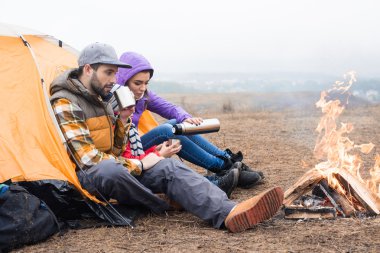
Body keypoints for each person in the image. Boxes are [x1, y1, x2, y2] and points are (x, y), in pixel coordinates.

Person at [49, 42, 284, 233]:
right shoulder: (66, 101)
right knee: (110, 170)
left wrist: (121, 122)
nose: (113, 79)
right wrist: (141, 163)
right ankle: (165, 202)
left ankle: (228, 212)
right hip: (90, 177)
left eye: (115, 73)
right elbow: (89, 159)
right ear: (88, 69)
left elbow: (118, 149)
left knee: (168, 167)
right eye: (108, 72)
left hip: (122, 168)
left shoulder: (105, 96)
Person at [115, 52, 263, 189]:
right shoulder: (113, 100)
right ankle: (222, 167)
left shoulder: (143, 95)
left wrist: (186, 118)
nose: (142, 88)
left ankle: (228, 161)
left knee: (176, 124)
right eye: (138, 83)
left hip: (136, 143)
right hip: (124, 150)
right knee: (168, 131)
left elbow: (170, 108)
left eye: (146, 83)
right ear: (124, 80)